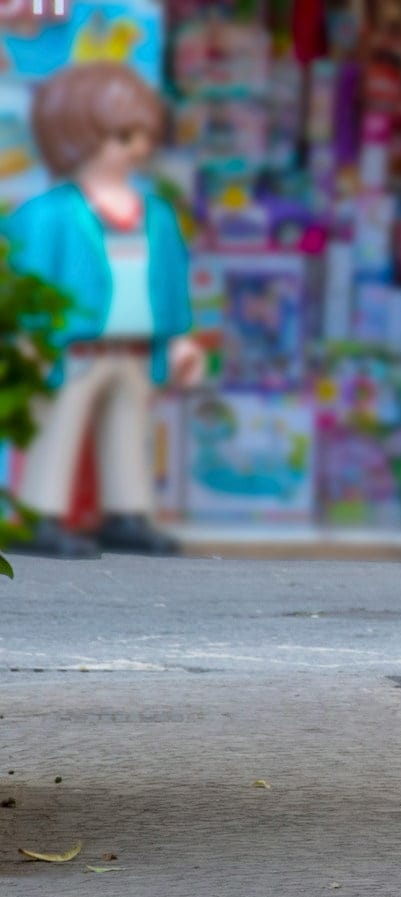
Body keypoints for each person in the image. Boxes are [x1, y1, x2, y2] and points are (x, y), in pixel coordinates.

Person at [6, 62, 205, 559]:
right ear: (74, 136)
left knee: (130, 430)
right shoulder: (47, 215)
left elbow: (169, 284)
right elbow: (25, 283)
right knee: (58, 427)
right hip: (70, 348)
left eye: (142, 135)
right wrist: (28, 340)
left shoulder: (155, 216)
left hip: (136, 347)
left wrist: (178, 340)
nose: (137, 148)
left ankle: (128, 511)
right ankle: (40, 513)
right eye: (122, 135)